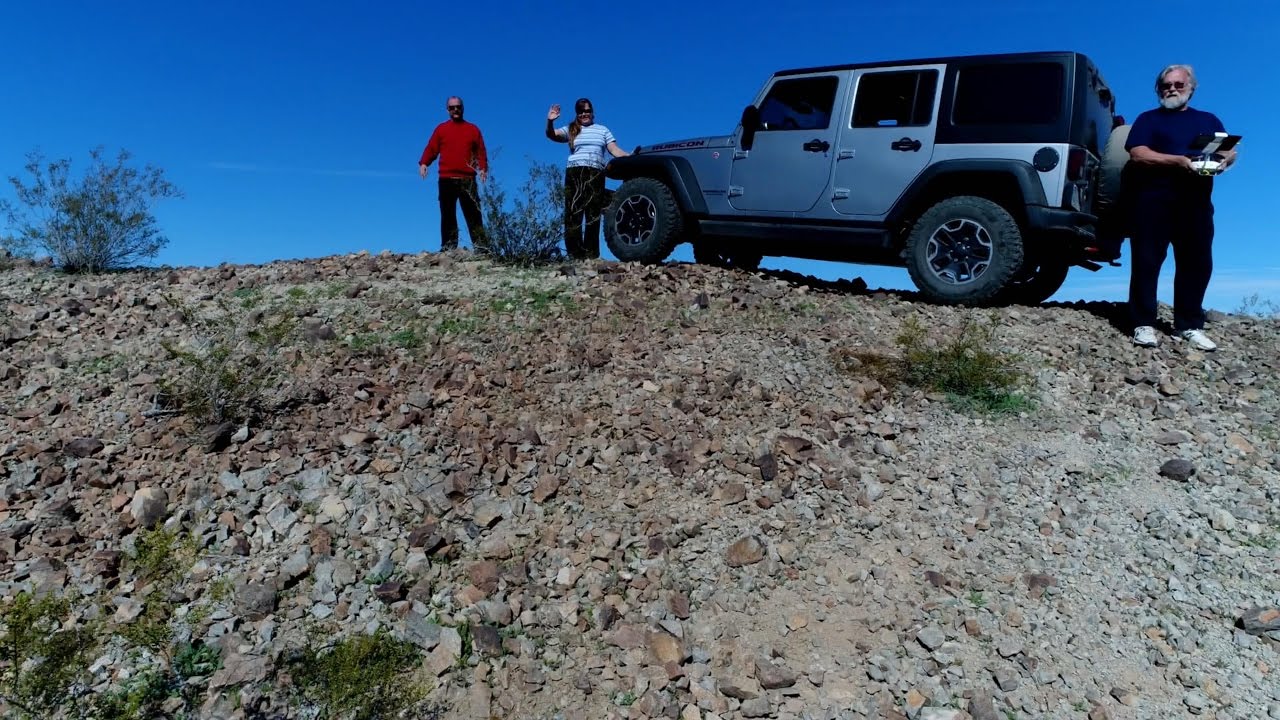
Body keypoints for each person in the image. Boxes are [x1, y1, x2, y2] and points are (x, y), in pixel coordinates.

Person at [1125, 64, 1237, 351]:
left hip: (1196, 204)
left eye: (1177, 84)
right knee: (1147, 262)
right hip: (1152, 202)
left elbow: (1227, 149)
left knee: (1197, 264)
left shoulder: (1208, 119)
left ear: (1191, 87)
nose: (1172, 89)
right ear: (1158, 90)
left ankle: (1189, 325)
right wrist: (1178, 161)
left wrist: (1225, 161)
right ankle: (1143, 324)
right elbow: (1138, 153)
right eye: (1166, 85)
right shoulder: (1148, 119)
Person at [545, 98, 630, 259]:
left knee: (593, 213)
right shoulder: (571, 129)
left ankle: (591, 255)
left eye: (587, 111)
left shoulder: (602, 130)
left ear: (592, 112)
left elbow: (614, 150)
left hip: (595, 172)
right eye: (581, 111)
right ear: (577, 114)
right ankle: (575, 255)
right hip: (575, 172)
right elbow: (552, 135)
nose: (585, 114)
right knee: (573, 213)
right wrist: (550, 122)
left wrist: (629, 155)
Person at [419, 96, 489, 252]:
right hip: (446, 179)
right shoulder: (441, 129)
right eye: (452, 107)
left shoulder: (473, 129)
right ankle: (449, 247)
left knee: (473, 215)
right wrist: (424, 163)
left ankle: (482, 248)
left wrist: (483, 168)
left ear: (462, 108)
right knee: (448, 215)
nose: (455, 110)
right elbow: (432, 148)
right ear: (447, 110)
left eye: (458, 107)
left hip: (467, 179)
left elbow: (481, 151)